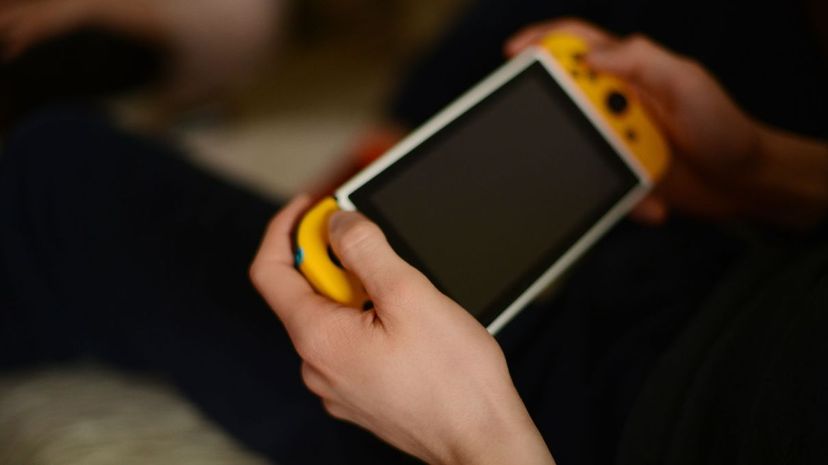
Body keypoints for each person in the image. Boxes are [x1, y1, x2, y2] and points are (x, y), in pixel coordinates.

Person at [1, 7, 826, 465]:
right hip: (747, 267)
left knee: (54, 175)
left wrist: (470, 441)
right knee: (562, 42)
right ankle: (377, 150)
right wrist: (769, 174)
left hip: (602, 416)